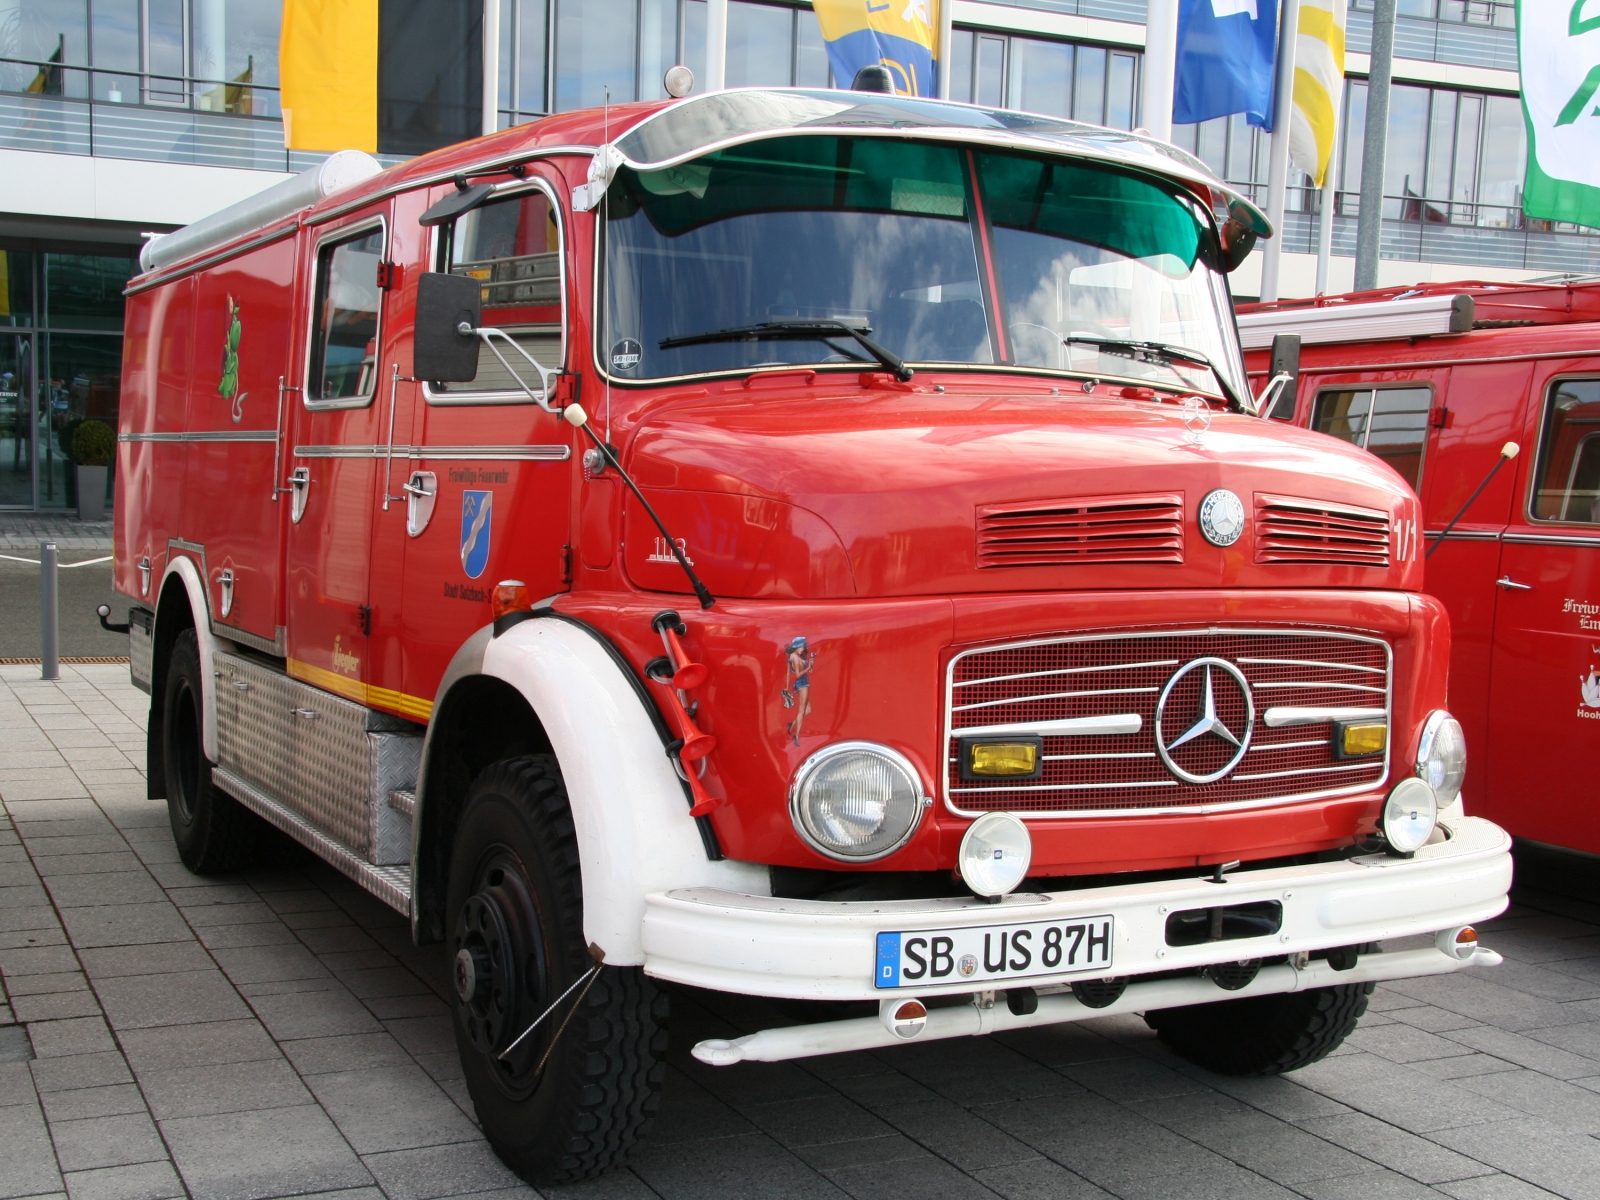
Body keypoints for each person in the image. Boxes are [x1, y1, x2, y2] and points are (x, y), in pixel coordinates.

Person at [784, 636, 817, 746]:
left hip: (800, 684)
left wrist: (810, 664)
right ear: (797, 647)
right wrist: (809, 667)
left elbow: (789, 673)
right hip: (802, 684)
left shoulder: (793, 656)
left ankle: (792, 725)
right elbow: (798, 675)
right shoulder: (796, 659)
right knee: (802, 710)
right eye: (801, 647)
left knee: (808, 709)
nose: (803, 648)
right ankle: (797, 736)